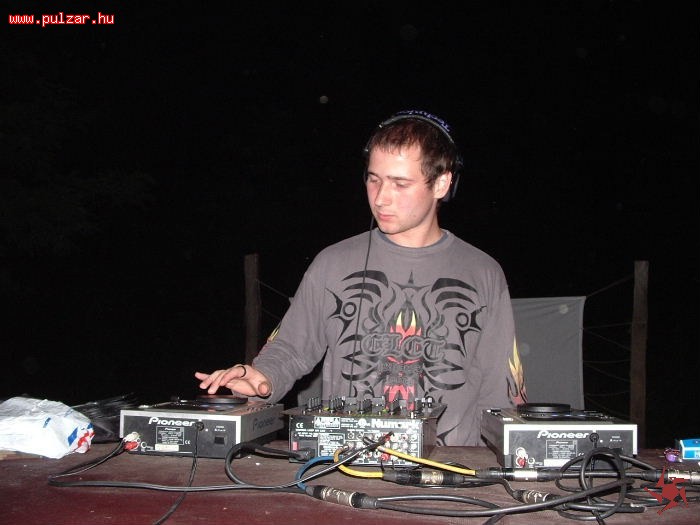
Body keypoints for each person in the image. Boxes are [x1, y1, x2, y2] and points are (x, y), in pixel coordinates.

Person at [196, 110, 527, 446]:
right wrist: (262, 378)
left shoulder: (484, 272)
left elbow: (499, 392)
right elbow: (292, 348)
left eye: (400, 184)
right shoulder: (332, 263)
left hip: (448, 470)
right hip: (346, 462)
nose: (381, 197)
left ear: (442, 184)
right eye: (374, 179)